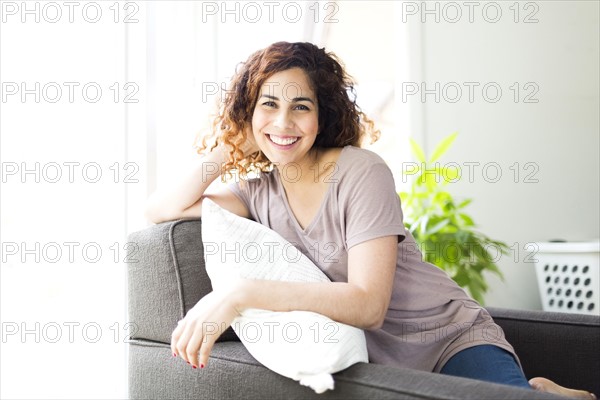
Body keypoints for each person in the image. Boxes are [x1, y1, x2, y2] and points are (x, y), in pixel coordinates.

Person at [145, 41, 596, 399]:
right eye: (268, 104)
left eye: (300, 106)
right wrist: (231, 144)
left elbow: (367, 304)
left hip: (446, 337)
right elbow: (161, 210)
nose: (283, 122)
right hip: (378, 362)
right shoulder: (255, 191)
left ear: (322, 116)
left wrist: (239, 294)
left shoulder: (361, 171)